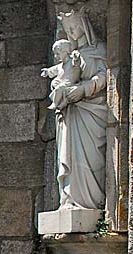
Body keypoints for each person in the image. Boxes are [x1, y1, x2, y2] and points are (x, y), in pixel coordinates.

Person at [53, 10, 109, 211]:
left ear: (84, 24)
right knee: (68, 157)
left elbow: (104, 76)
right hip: (71, 112)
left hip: (92, 111)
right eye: (68, 29)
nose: (72, 31)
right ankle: (69, 198)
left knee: (91, 158)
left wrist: (83, 89)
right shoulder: (71, 56)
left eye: (74, 26)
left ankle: (91, 203)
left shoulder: (98, 50)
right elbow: (61, 77)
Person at [41, 39, 81, 111]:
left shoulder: (72, 61)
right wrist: (47, 71)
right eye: (55, 54)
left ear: (66, 52)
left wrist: (76, 60)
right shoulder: (60, 65)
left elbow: (77, 66)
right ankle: (62, 101)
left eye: (57, 54)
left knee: (59, 88)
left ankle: (55, 103)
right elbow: (54, 69)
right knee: (54, 83)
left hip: (70, 81)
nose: (55, 56)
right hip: (62, 82)